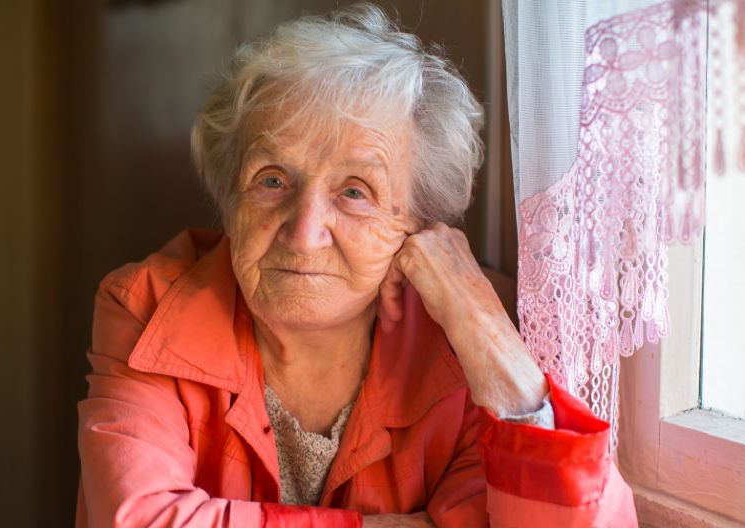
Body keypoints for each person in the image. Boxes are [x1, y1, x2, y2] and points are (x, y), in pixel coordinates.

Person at [76, 3, 638, 527]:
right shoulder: (148, 308)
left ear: (416, 224)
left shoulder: (457, 341)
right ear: (230, 198)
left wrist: (492, 339)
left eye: (354, 192)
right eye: (272, 180)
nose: (304, 234)